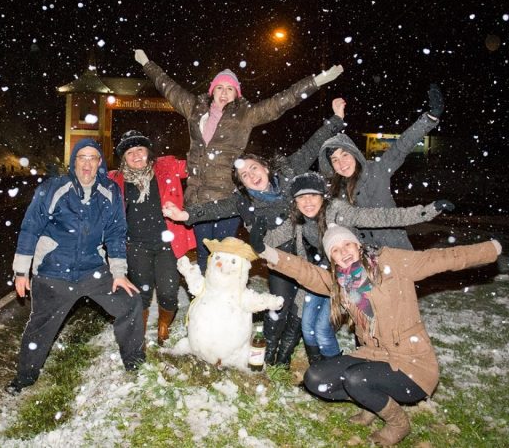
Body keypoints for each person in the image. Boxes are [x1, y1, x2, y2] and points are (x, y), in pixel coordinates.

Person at [164, 169, 454, 368]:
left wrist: (427, 210)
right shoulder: (297, 220)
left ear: (322, 196)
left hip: (349, 275)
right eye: (301, 198)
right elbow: (274, 241)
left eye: (312, 196)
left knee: (328, 330)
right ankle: (310, 367)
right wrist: (257, 242)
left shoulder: (339, 211)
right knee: (307, 326)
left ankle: (337, 369)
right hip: (318, 277)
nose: (307, 202)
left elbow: (382, 216)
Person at [249, 223, 501, 446]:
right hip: (373, 355)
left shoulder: (391, 263)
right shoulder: (340, 282)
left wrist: (490, 249)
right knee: (316, 379)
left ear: (359, 246)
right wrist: (268, 252)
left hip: (412, 363)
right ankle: (371, 402)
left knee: (356, 378)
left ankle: (398, 424)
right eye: (335, 250)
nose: (343, 252)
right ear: (332, 258)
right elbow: (306, 272)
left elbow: (440, 258)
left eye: (347, 244)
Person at [162, 97, 347, 366]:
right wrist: (186, 215)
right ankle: (269, 354)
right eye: (245, 176)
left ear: (265, 167)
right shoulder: (244, 201)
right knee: (280, 304)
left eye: (253, 169)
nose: (251, 176)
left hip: (308, 248)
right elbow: (216, 208)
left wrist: (335, 121)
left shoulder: (287, 174)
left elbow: (310, 148)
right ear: (243, 185)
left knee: (301, 305)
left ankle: (284, 355)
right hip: (278, 257)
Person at [135, 48, 343, 272]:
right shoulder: (194, 108)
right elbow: (168, 87)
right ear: (212, 91)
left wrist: (318, 80)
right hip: (197, 199)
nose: (224, 93)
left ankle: (226, 302)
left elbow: (282, 101)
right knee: (205, 258)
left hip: (227, 200)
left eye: (230, 89)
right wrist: (147, 63)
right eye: (220, 88)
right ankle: (208, 304)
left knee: (224, 259)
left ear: (237, 93)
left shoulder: (246, 114)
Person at [7, 138, 145, 394]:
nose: (87, 163)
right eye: (82, 157)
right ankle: (24, 378)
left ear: (99, 163)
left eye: (93, 158)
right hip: (54, 273)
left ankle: (135, 364)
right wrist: (21, 271)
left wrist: (119, 274)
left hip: (92, 271)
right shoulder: (53, 188)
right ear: (74, 162)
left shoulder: (110, 192)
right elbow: (30, 228)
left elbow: (116, 232)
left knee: (131, 301)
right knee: (40, 328)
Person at [318, 84, 444, 249]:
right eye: (334, 160)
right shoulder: (334, 191)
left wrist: (429, 119)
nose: (341, 163)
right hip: (362, 259)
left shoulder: (377, 170)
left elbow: (402, 146)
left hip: (397, 251)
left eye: (345, 155)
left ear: (354, 154)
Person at [108, 130, 196, 345]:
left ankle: (164, 326)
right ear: (124, 158)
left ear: (148, 152)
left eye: (140, 149)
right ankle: (140, 329)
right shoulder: (115, 180)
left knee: (168, 292)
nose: (136, 155)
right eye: (130, 152)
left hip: (167, 244)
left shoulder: (167, 167)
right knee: (141, 293)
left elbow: (200, 167)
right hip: (136, 245)